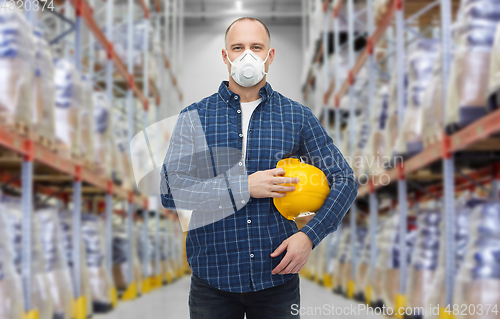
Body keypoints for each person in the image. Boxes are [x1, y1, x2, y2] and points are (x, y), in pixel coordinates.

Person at [160, 17, 358, 319]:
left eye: (256, 47)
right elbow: (170, 191)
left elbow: (344, 179)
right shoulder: (194, 116)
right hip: (212, 280)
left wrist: (310, 237)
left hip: (276, 278)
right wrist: (243, 186)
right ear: (226, 56)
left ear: (270, 55)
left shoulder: (297, 116)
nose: (247, 55)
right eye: (238, 48)